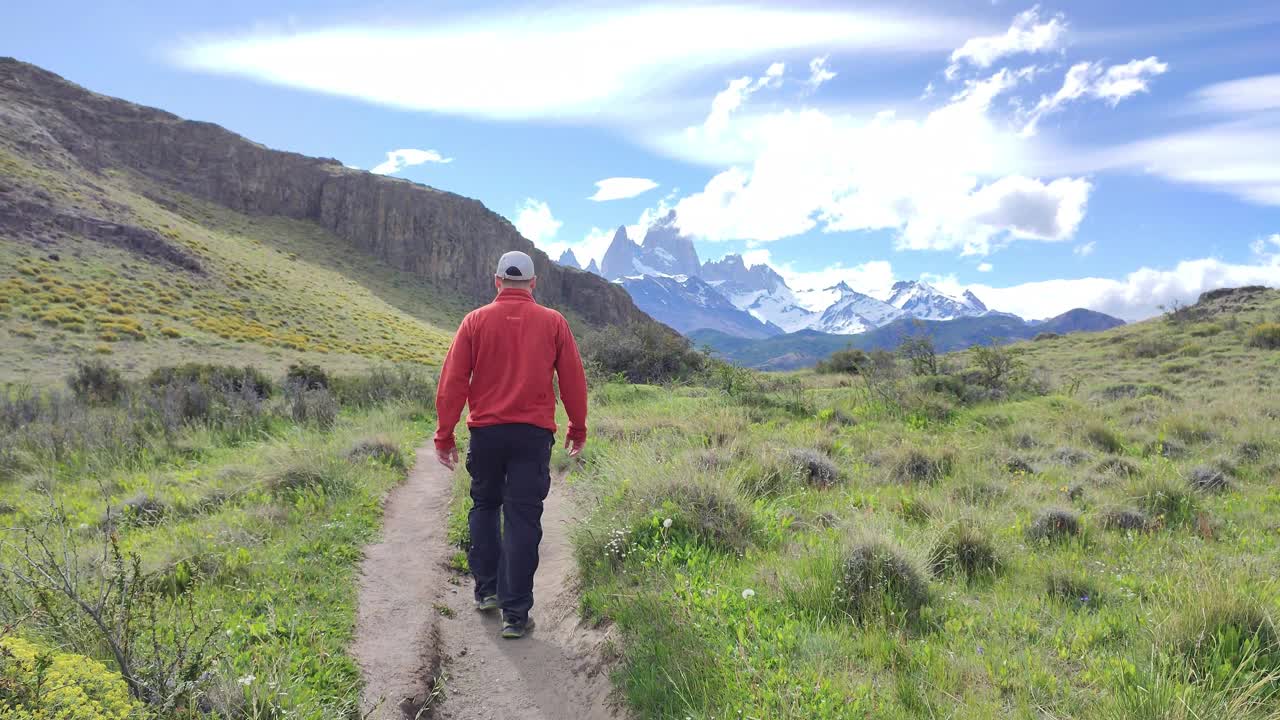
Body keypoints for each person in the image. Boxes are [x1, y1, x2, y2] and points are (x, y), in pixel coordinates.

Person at [434, 250, 588, 639]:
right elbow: (572, 380)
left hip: (486, 433)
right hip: (533, 435)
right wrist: (577, 426)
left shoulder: (474, 322)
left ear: (497, 280)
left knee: (485, 505)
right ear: (533, 283)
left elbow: (453, 382)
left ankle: (487, 591)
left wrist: (445, 433)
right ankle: (515, 614)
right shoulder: (554, 322)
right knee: (523, 517)